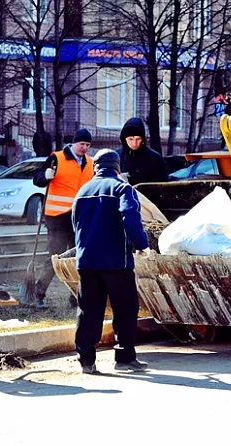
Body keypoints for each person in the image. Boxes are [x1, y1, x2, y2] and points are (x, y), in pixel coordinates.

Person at [72, 149, 150, 374]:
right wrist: (142, 245)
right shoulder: (122, 188)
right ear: (117, 167)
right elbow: (130, 218)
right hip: (117, 262)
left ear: (95, 167)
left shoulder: (82, 191)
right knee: (125, 309)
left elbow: (76, 224)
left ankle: (86, 360)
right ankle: (124, 359)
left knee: (88, 311)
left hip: (87, 262)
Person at [32, 128, 94, 308]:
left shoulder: (90, 163)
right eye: (81, 144)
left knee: (79, 257)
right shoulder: (56, 158)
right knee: (55, 257)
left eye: (87, 145)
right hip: (57, 218)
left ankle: (76, 297)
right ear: (74, 143)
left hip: (80, 218)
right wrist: (45, 176)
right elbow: (37, 179)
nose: (84, 147)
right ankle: (38, 294)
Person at [118, 117, 167, 185]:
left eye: (138, 139)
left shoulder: (155, 159)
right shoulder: (116, 157)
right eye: (130, 139)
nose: (134, 143)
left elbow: (162, 185)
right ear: (124, 139)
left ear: (143, 139)